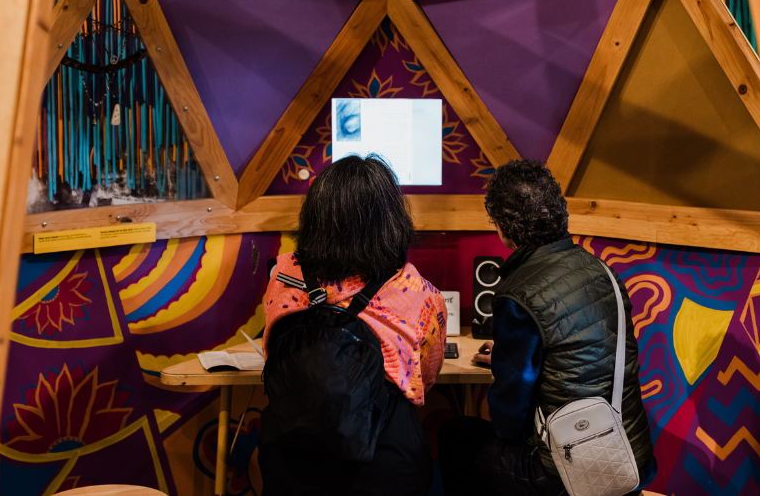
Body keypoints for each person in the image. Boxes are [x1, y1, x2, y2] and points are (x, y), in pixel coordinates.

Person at [440, 160, 656, 496]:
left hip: (566, 472)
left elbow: (508, 418)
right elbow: (582, 357)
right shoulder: (602, 271)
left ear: (503, 227)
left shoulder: (518, 293)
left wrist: (506, 363)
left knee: (456, 436)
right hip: (630, 457)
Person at [259, 155, 446, 496]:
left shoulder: (283, 276)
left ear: (314, 216)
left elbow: (272, 350)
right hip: (383, 466)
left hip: (291, 462)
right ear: (391, 219)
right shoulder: (417, 291)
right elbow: (425, 377)